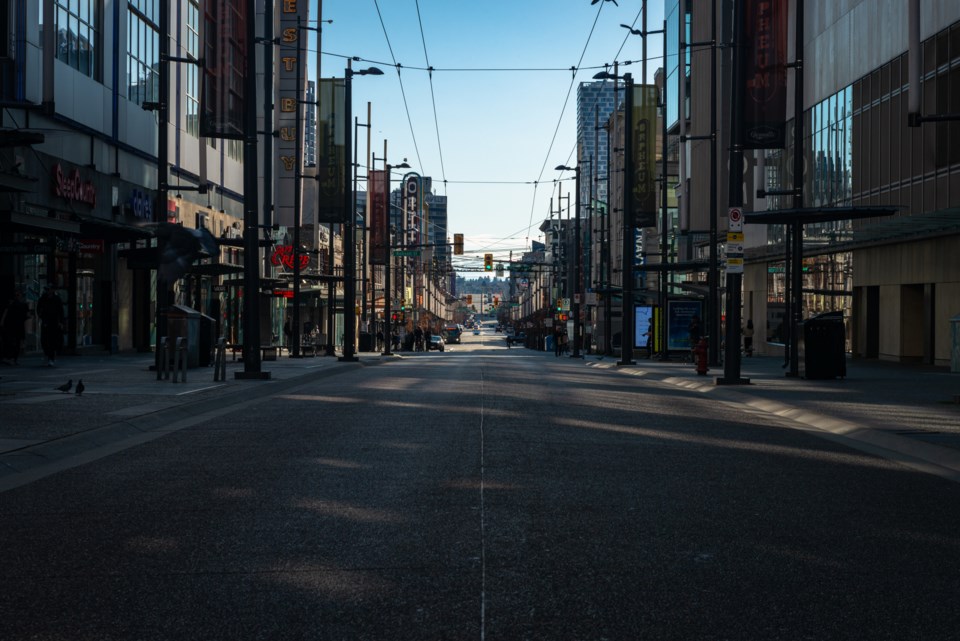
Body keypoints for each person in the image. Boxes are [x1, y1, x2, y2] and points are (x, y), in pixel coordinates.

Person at [37, 286, 64, 366]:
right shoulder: (43, 298)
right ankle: (48, 354)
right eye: (47, 290)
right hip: (46, 321)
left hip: (54, 322)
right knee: (44, 339)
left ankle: (51, 357)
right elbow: (38, 308)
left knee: (52, 340)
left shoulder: (56, 299)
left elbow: (60, 311)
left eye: (50, 289)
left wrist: (61, 322)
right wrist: (41, 315)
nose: (48, 291)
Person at [1, 290, 30, 365]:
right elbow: (6, 312)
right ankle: (10, 358)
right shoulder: (12, 304)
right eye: (16, 295)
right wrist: (2, 322)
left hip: (19, 326)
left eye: (18, 295)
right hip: (11, 325)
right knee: (10, 342)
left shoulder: (24, 305)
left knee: (17, 343)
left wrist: (26, 329)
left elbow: (27, 316)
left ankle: (14, 359)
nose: (17, 296)